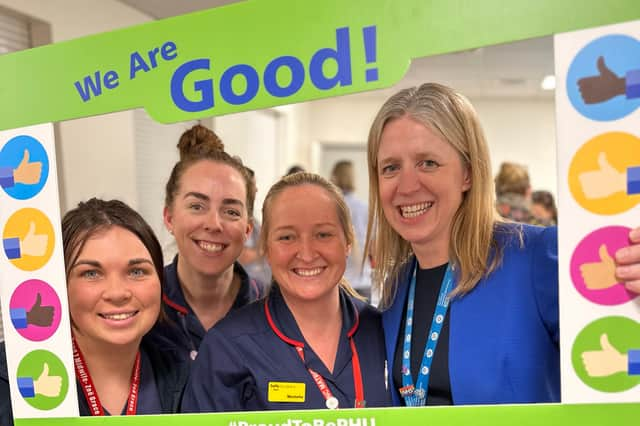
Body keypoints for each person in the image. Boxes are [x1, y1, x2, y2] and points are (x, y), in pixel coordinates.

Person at [363, 82, 640, 406]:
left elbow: (621, 357)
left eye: (428, 163)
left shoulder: (536, 258)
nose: (407, 185)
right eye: (391, 168)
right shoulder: (396, 287)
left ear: (467, 173)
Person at [181, 172, 389, 412]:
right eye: (287, 237)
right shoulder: (227, 347)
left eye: (323, 234)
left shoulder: (381, 331)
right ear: (266, 249)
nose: (307, 253)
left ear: (347, 243)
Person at [1, 198, 188, 423]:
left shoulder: (185, 376)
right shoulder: (11, 379)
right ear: (59, 284)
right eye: (91, 273)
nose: (117, 293)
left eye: (137, 271)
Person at [159, 124, 264, 362]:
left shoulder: (271, 310)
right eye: (197, 206)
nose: (214, 224)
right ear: (169, 217)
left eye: (231, 211)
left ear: (247, 228)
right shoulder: (143, 308)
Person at [330, 160, 373, 300]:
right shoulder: (365, 208)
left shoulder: (331, 208)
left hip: (339, 282)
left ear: (334, 177)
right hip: (363, 281)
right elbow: (374, 247)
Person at [238, 166, 271, 288]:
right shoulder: (238, 218)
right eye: (253, 185)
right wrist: (263, 250)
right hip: (248, 287)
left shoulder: (253, 219)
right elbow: (241, 256)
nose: (256, 189)